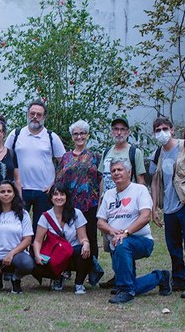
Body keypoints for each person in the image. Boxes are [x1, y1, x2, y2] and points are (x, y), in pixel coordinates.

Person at [97, 159, 171, 304]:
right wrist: (112, 230)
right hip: (116, 242)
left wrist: (126, 232)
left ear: (129, 172)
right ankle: (160, 277)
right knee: (130, 281)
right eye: (113, 171)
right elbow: (100, 221)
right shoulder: (108, 194)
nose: (116, 173)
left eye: (120, 169)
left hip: (141, 241)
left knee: (122, 245)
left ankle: (126, 291)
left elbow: (145, 216)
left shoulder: (139, 190)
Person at [150, 116, 185, 299]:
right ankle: (178, 279)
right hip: (169, 209)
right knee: (173, 247)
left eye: (164, 129)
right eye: (158, 130)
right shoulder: (157, 154)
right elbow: (154, 181)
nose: (162, 133)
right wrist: (154, 207)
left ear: (172, 130)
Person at [97, 117, 146, 288]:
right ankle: (118, 274)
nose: (119, 132)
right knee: (111, 238)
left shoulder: (134, 152)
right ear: (111, 131)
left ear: (128, 132)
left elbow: (141, 179)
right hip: (109, 202)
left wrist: (142, 203)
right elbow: (102, 179)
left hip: (128, 203)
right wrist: (100, 201)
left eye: (122, 129)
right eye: (116, 129)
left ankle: (127, 276)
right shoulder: (106, 152)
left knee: (125, 239)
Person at [4, 100, 66, 230]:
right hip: (20, 189)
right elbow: (5, 158)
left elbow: (65, 163)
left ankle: (37, 245)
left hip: (44, 191)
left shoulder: (51, 137)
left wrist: (54, 183)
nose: (35, 117)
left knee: (41, 228)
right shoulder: (16, 134)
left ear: (44, 117)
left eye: (39, 114)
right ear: (27, 114)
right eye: (32, 113)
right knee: (18, 227)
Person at [55, 120, 103, 284]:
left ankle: (92, 270)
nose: (79, 136)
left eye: (82, 133)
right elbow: (59, 180)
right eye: (76, 134)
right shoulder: (66, 157)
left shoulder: (95, 157)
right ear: (72, 136)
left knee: (90, 237)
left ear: (87, 135)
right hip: (70, 204)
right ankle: (66, 268)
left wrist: (101, 201)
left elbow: (101, 180)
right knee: (68, 237)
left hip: (90, 204)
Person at [32, 184, 92, 294]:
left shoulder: (76, 213)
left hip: (72, 252)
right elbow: (37, 241)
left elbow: (83, 238)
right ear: (51, 198)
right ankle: (57, 277)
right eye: (55, 194)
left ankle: (79, 284)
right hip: (56, 254)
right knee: (35, 257)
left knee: (83, 250)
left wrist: (86, 244)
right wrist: (37, 255)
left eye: (62, 194)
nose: (59, 197)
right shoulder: (45, 216)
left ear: (67, 197)